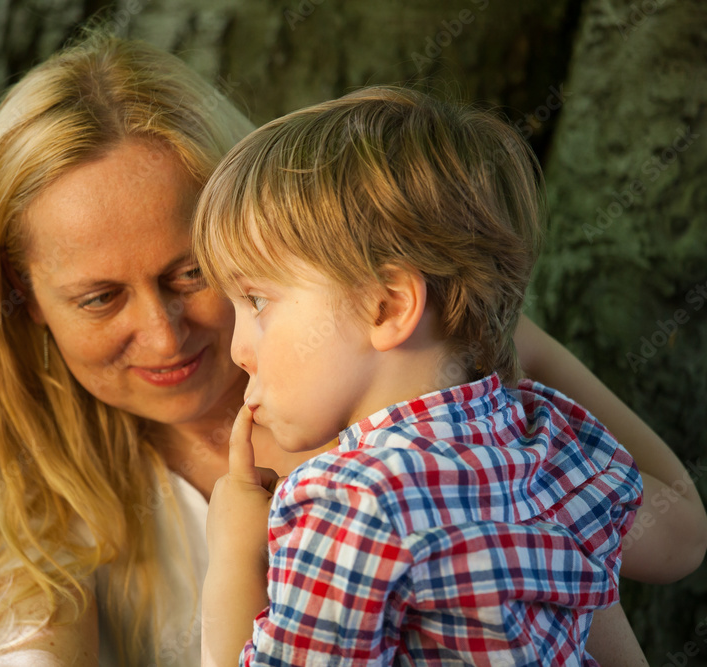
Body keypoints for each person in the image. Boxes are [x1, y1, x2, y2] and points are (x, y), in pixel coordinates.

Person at [0, 30, 707, 667]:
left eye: (199, 275)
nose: (167, 332)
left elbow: (666, 536)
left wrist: (495, 343)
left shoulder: (394, 442)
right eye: (100, 297)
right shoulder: (38, 500)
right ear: (22, 301)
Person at [192, 85, 661, 665]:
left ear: (387, 307)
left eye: (257, 301)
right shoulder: (550, 434)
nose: (238, 348)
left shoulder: (346, 503)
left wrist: (235, 556)